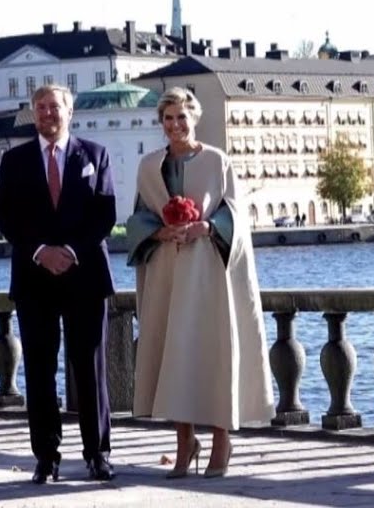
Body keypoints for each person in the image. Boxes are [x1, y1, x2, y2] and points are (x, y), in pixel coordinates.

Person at [126, 87, 274, 479]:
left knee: (213, 352)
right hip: (167, 273)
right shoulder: (148, 166)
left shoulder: (217, 161)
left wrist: (206, 226)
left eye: (181, 117)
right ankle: (184, 441)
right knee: (174, 353)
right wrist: (161, 233)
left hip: (209, 272)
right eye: (168, 118)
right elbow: (138, 218)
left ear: (195, 118)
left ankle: (222, 440)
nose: (175, 125)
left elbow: (237, 219)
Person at [0, 84, 118, 484]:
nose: (48, 114)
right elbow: (7, 218)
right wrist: (41, 252)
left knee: (90, 368)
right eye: (41, 107)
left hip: (84, 275)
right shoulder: (13, 161)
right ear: (33, 113)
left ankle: (97, 454)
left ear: (71, 111)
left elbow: (104, 215)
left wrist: (69, 251)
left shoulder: (94, 155)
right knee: (39, 369)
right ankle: (46, 456)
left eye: (55, 107)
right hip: (34, 278)